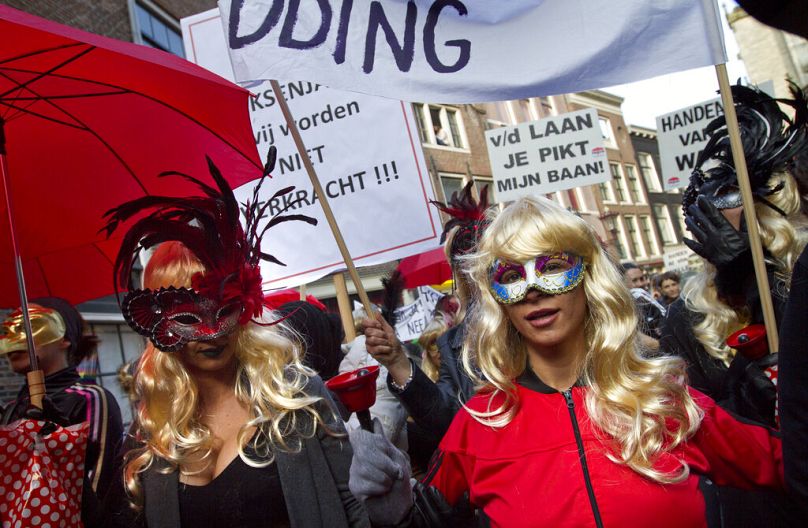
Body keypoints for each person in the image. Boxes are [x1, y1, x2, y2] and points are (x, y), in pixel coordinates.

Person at [348, 195, 804, 527]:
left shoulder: (664, 400)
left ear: (588, 276)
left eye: (550, 266)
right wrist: (394, 511)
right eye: (510, 275)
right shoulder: (481, 424)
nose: (531, 290)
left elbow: (791, 471)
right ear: (498, 300)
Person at [100, 156, 367, 527]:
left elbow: (353, 506)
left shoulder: (294, 396)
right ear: (158, 321)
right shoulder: (154, 429)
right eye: (190, 315)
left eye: (224, 308)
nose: (214, 331)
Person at [660, 82, 808, 526]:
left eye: (731, 194)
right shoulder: (686, 315)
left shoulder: (800, 275)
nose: (716, 210)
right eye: (708, 198)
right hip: (759, 505)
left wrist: (755, 281)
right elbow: (697, 425)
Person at [364, 182, 490, 439]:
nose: (475, 276)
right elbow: (448, 422)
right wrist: (398, 361)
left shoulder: (532, 318)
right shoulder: (453, 343)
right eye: (465, 267)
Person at [0, 296, 124, 526]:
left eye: (30, 325)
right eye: (7, 331)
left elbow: (101, 487)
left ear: (64, 338)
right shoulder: (10, 410)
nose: (13, 340)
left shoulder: (90, 399)